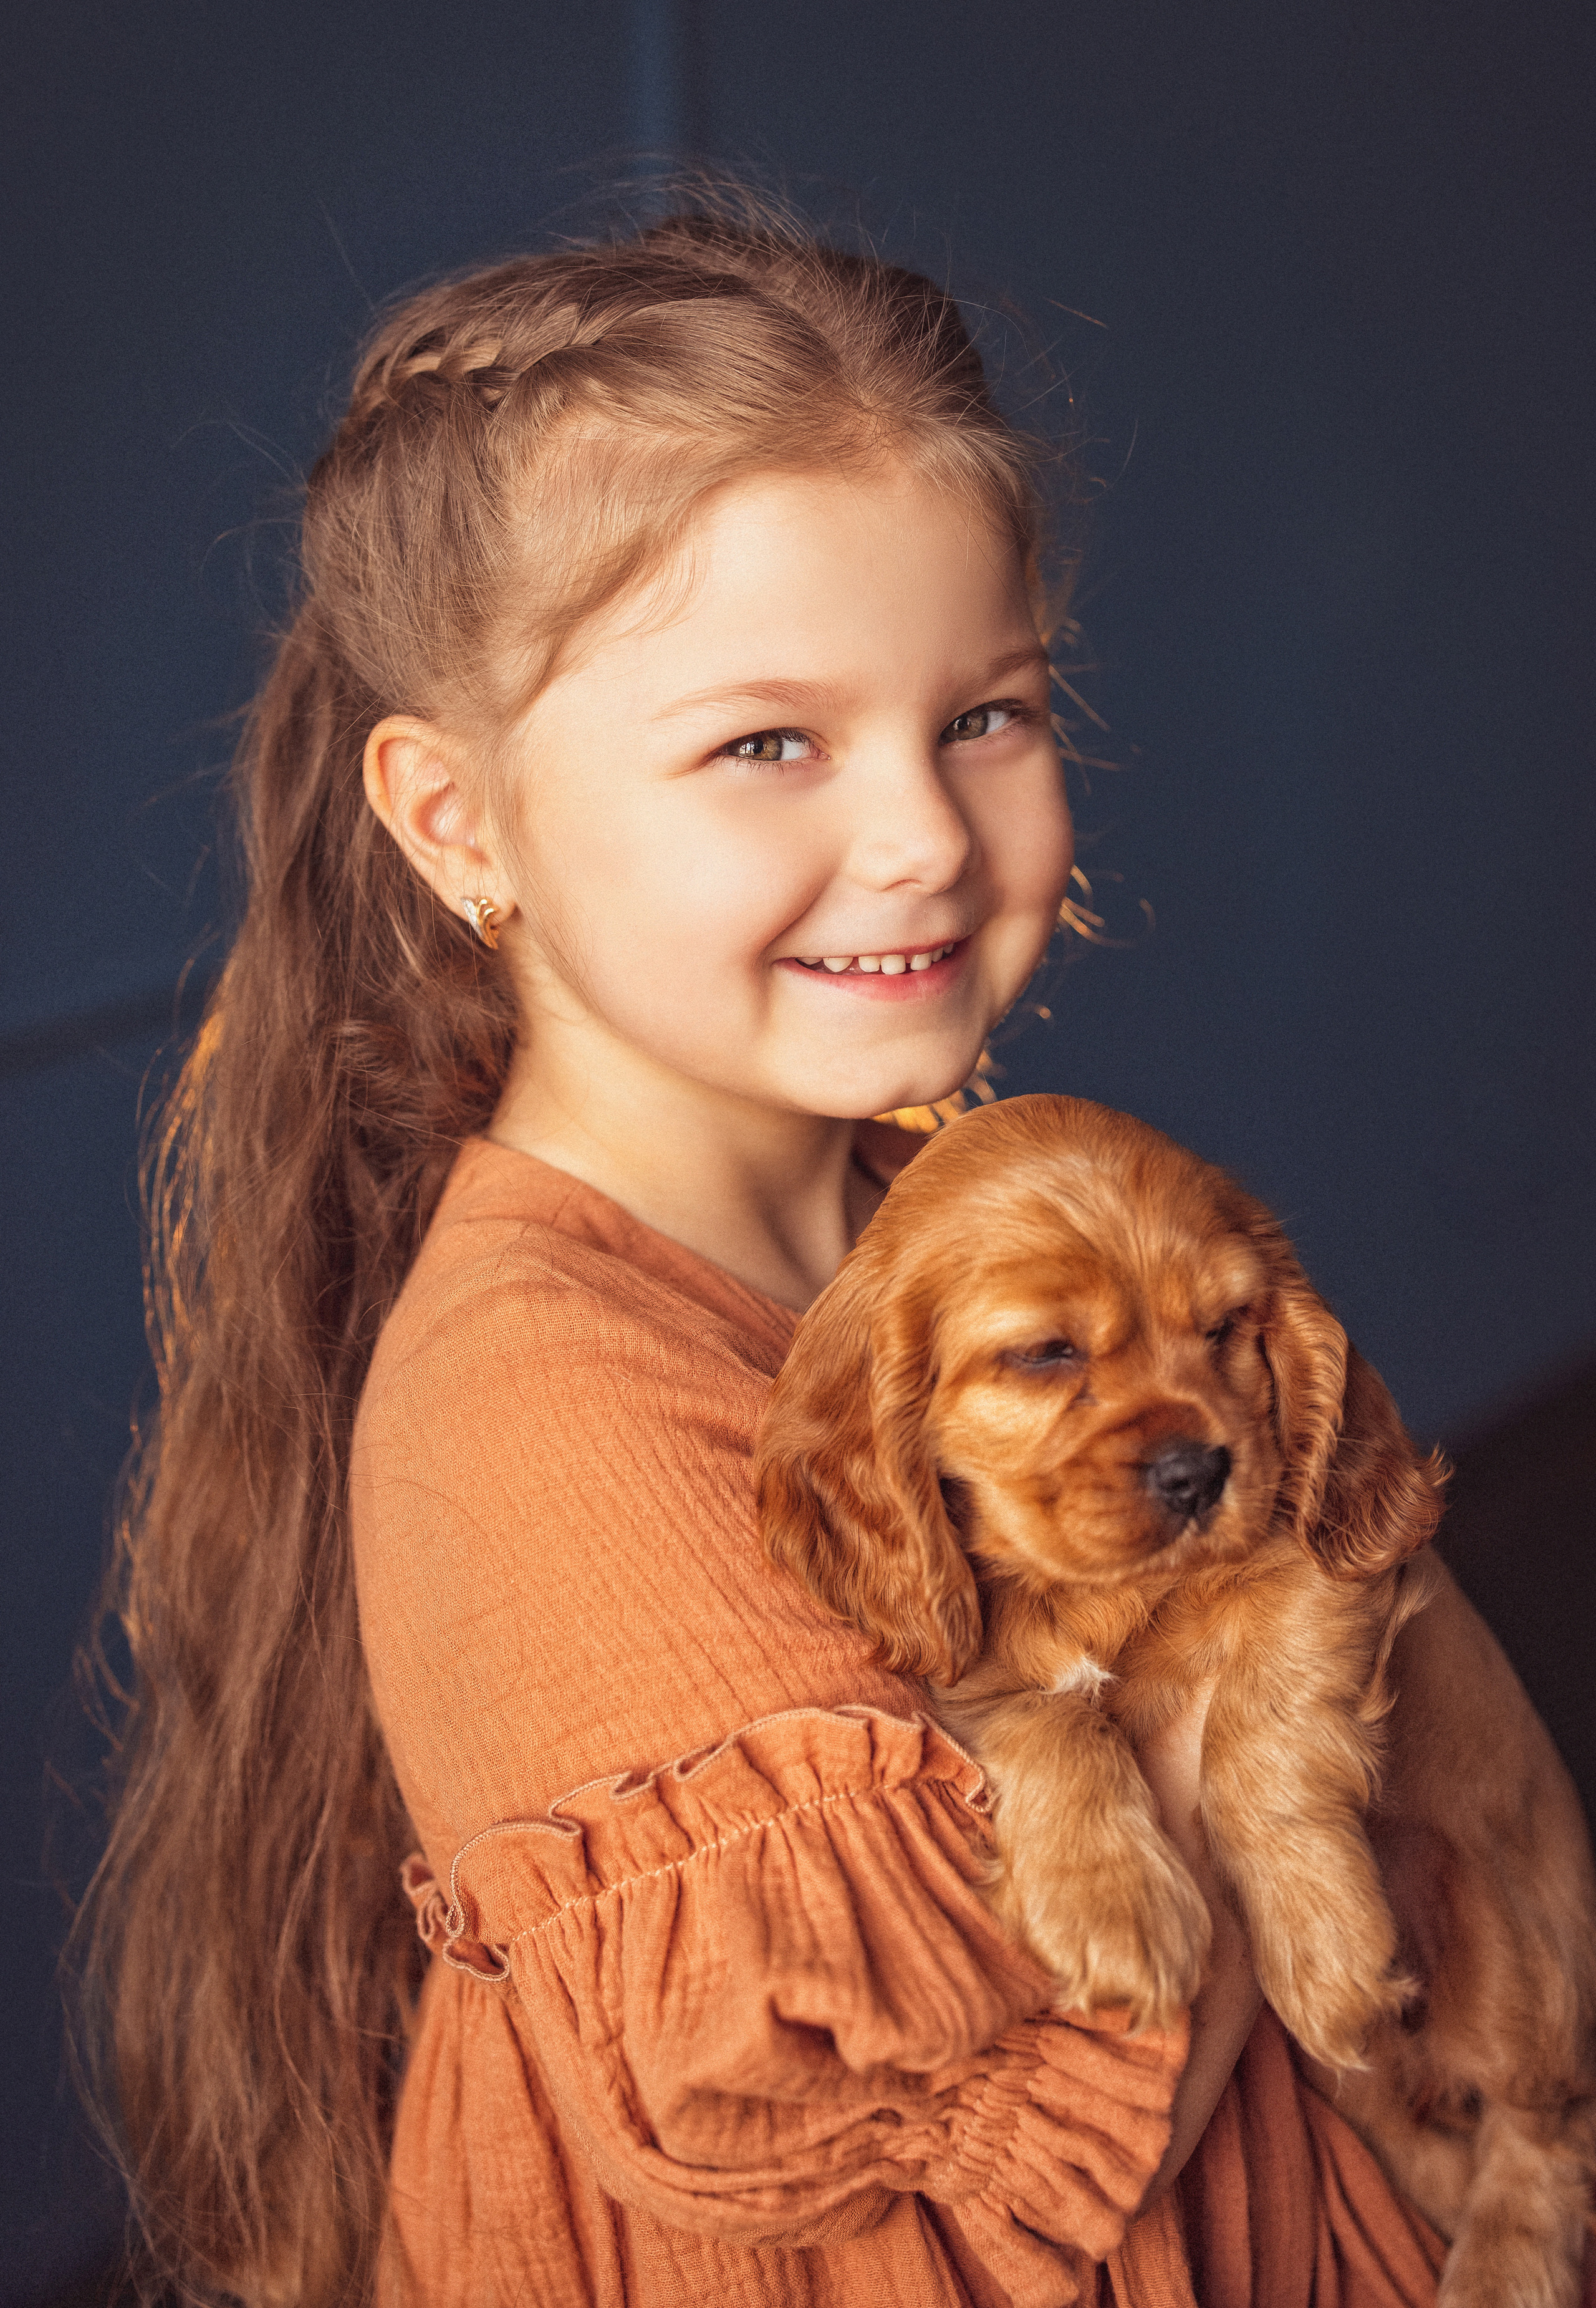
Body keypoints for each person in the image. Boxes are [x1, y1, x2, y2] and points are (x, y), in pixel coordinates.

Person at [72, 195, 1453, 2306]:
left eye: (985, 711)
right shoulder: (544, 1411)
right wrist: (1266, 1665)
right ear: (460, 827)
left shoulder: (944, 1222)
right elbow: (1003, 2171)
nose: (917, 832)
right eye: (766, 743)